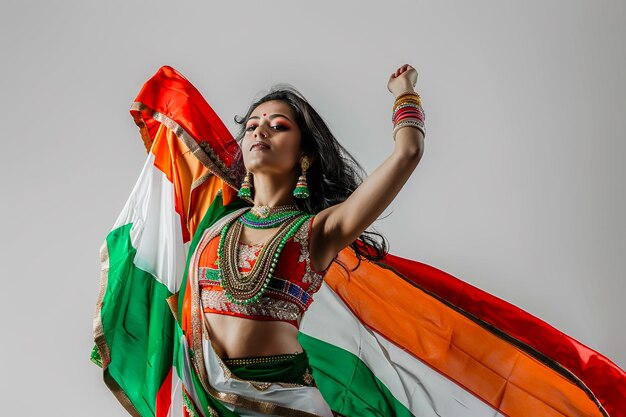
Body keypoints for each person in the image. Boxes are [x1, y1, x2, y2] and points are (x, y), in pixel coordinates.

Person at [93, 65, 625, 417]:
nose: (259, 131)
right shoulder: (214, 230)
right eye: (252, 123)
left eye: (277, 125)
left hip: (290, 404)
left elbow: (408, 155)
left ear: (302, 156)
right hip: (209, 403)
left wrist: (406, 98)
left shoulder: (316, 232)